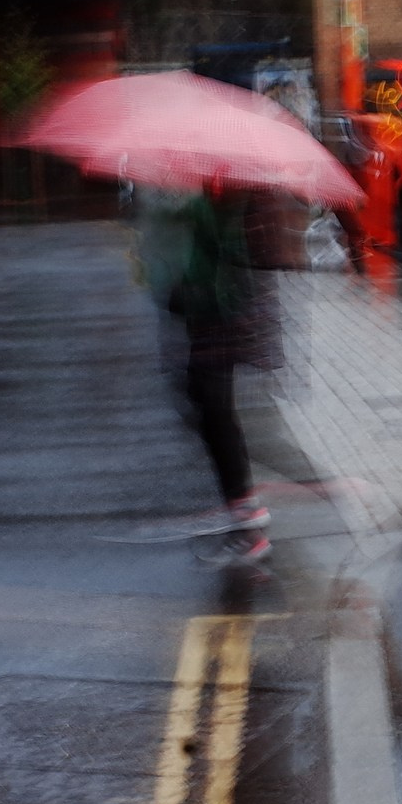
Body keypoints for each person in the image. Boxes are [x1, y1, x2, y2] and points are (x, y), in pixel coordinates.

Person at [135, 184, 320, 556]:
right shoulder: (215, 194)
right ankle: (245, 506)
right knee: (206, 406)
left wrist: (201, 219)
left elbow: (262, 252)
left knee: (212, 406)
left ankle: (247, 516)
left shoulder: (246, 195)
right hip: (214, 314)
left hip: (228, 315)